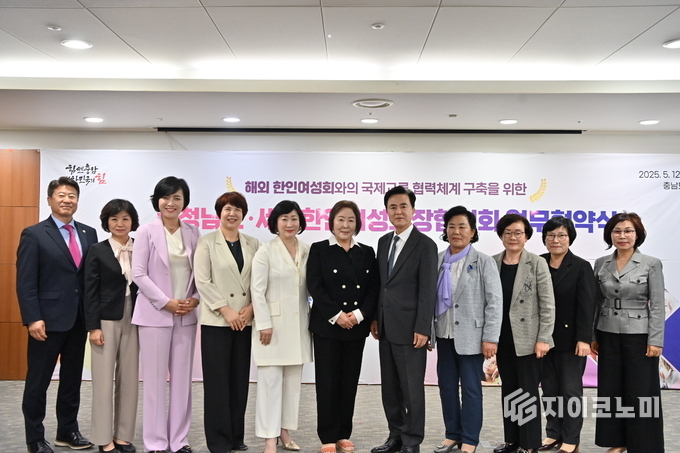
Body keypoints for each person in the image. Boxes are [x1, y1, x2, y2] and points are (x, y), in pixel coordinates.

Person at [17, 176, 97, 453]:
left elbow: (88, 279)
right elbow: (26, 281)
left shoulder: (88, 233)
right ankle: (35, 438)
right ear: (50, 199)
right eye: (61, 195)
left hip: (78, 320)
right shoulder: (34, 234)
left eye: (72, 195)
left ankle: (67, 431)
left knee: (72, 380)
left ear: (78, 201)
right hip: (46, 321)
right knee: (38, 382)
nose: (67, 200)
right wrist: (32, 317)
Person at [131, 177, 201, 453]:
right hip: (154, 316)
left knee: (183, 382)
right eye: (166, 198)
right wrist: (165, 302)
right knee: (155, 381)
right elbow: (139, 274)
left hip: (186, 315)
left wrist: (194, 299)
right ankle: (156, 442)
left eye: (177, 198)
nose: (171, 203)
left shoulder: (193, 232)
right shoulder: (146, 231)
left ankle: (179, 440)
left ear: (185, 202)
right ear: (157, 201)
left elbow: (201, 274)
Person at [307, 200, 379, 453]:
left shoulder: (367, 252)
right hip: (328, 326)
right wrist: (337, 315)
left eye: (350, 220)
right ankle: (327, 436)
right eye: (340, 219)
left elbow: (373, 288)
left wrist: (359, 315)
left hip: (355, 327)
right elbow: (315, 286)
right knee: (327, 382)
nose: (345, 225)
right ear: (332, 222)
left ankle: (343, 434)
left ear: (357, 223)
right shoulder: (319, 249)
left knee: (349, 382)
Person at [370, 186, 438, 453]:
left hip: (411, 331)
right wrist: (375, 318)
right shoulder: (383, 242)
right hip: (386, 327)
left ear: (413, 210)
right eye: (393, 207)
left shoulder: (425, 245)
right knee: (390, 389)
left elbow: (427, 290)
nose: (398, 211)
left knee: (412, 390)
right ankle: (395, 436)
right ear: (386, 211)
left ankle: (412, 441)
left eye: (403, 206)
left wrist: (423, 327)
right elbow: (381, 285)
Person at [591, 212, 665, 453]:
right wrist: (593, 336)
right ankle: (618, 441)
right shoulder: (601, 263)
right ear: (610, 235)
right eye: (617, 231)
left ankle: (644, 445)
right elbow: (596, 302)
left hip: (639, 335)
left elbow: (657, 305)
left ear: (637, 234)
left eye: (628, 231)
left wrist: (655, 340)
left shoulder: (651, 263)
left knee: (640, 391)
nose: (622, 236)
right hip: (607, 333)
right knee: (611, 389)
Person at [194, 192, 260, 453]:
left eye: (237, 210)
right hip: (217, 321)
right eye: (227, 209)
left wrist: (251, 309)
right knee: (217, 383)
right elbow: (203, 281)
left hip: (244, 320)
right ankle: (219, 440)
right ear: (219, 213)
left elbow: (260, 281)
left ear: (244, 214)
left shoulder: (253, 243)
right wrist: (226, 310)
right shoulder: (206, 242)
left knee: (239, 381)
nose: (232, 214)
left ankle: (236, 436)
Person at [433, 206, 502, 453]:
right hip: (444, 334)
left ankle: (470, 439)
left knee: (472, 390)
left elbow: (495, 301)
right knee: (447, 387)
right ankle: (452, 434)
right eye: (451, 226)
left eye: (462, 226)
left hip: (473, 338)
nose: (456, 231)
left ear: (472, 232)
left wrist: (490, 337)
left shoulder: (483, 261)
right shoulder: (437, 260)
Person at [251, 200, 312, 453]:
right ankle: (269, 438)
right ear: (275, 222)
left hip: (298, 326)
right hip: (272, 328)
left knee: (292, 385)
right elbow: (257, 290)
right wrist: (264, 324)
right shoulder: (265, 251)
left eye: (294, 218)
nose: (290, 223)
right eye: (284, 218)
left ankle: (285, 431)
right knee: (270, 384)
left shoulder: (307, 249)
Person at [492, 213, 555, 453]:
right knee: (509, 390)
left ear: (526, 236)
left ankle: (529, 445)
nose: (513, 237)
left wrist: (543, 339)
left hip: (529, 339)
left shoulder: (537, 263)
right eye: (507, 232)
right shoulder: (493, 262)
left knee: (527, 391)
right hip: (502, 338)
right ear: (501, 236)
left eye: (518, 232)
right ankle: (512, 440)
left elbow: (548, 305)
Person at [84, 199, 140, 453]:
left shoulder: (141, 247)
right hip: (105, 320)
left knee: (129, 379)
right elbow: (90, 291)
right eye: (114, 219)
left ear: (133, 221)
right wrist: (93, 327)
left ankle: (123, 436)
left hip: (135, 318)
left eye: (125, 218)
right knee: (103, 381)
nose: (120, 223)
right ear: (107, 222)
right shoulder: (97, 250)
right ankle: (103, 438)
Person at [537, 217, 596, 453]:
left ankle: (571, 439)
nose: (556, 240)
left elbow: (587, 305)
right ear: (544, 238)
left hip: (571, 341)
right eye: (551, 235)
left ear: (570, 238)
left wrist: (584, 338)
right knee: (549, 389)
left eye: (561, 235)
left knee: (570, 391)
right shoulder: (538, 262)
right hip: (542, 339)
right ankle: (553, 433)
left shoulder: (581, 266)